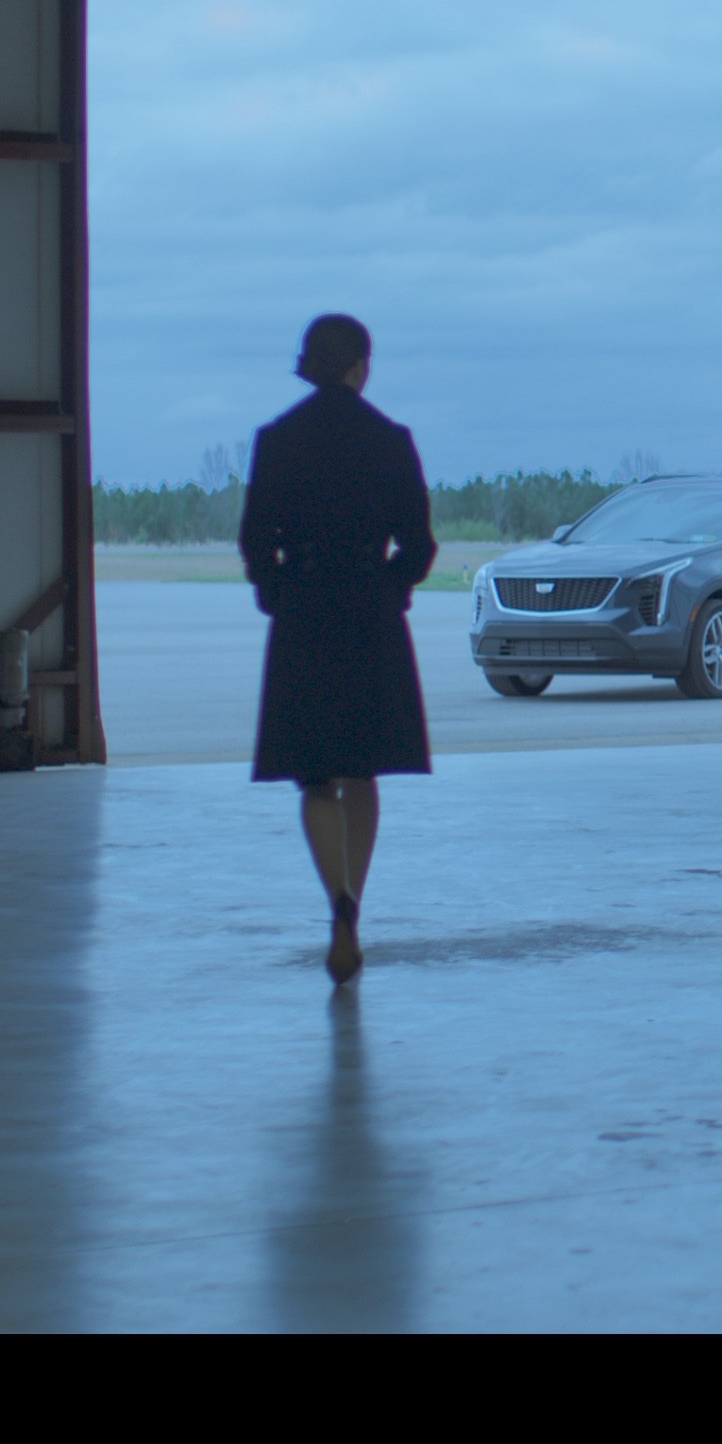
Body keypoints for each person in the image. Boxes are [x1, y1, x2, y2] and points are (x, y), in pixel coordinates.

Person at [240, 314, 437, 984]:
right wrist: (390, 589)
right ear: (360, 366)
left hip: (303, 614)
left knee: (315, 775)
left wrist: (277, 592)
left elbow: (254, 540)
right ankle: (355, 906)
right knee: (362, 771)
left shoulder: (277, 439)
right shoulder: (390, 440)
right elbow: (419, 545)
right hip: (370, 614)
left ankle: (338, 902)